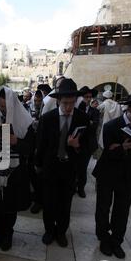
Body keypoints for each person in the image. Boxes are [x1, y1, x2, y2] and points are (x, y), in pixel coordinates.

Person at [93, 89, 131, 259]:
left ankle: (116, 241)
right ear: (130, 109)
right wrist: (124, 148)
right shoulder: (111, 126)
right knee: (103, 207)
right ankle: (104, 239)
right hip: (107, 173)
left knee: (123, 209)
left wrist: (122, 150)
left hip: (128, 175)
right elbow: (108, 151)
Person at [35, 79, 91, 247]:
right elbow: (41, 144)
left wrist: (77, 145)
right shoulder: (47, 118)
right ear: (58, 101)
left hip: (70, 168)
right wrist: (39, 166)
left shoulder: (83, 118)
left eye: (72, 103)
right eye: (65, 103)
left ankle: (61, 232)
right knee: (49, 202)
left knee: (65, 203)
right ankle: (49, 231)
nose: (68, 107)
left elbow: (89, 145)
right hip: (51, 167)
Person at [0, 87, 34, 251]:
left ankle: (8, 234)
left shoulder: (24, 120)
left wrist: (16, 142)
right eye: (0, 107)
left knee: (10, 205)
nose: (2, 110)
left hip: (15, 172)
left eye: (6, 108)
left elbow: (30, 148)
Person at [76, 86, 100, 198]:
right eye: (86, 97)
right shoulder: (76, 109)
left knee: (83, 167)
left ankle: (81, 188)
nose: (88, 99)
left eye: (90, 97)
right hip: (75, 143)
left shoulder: (95, 111)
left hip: (87, 145)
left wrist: (86, 123)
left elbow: (93, 126)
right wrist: (87, 122)